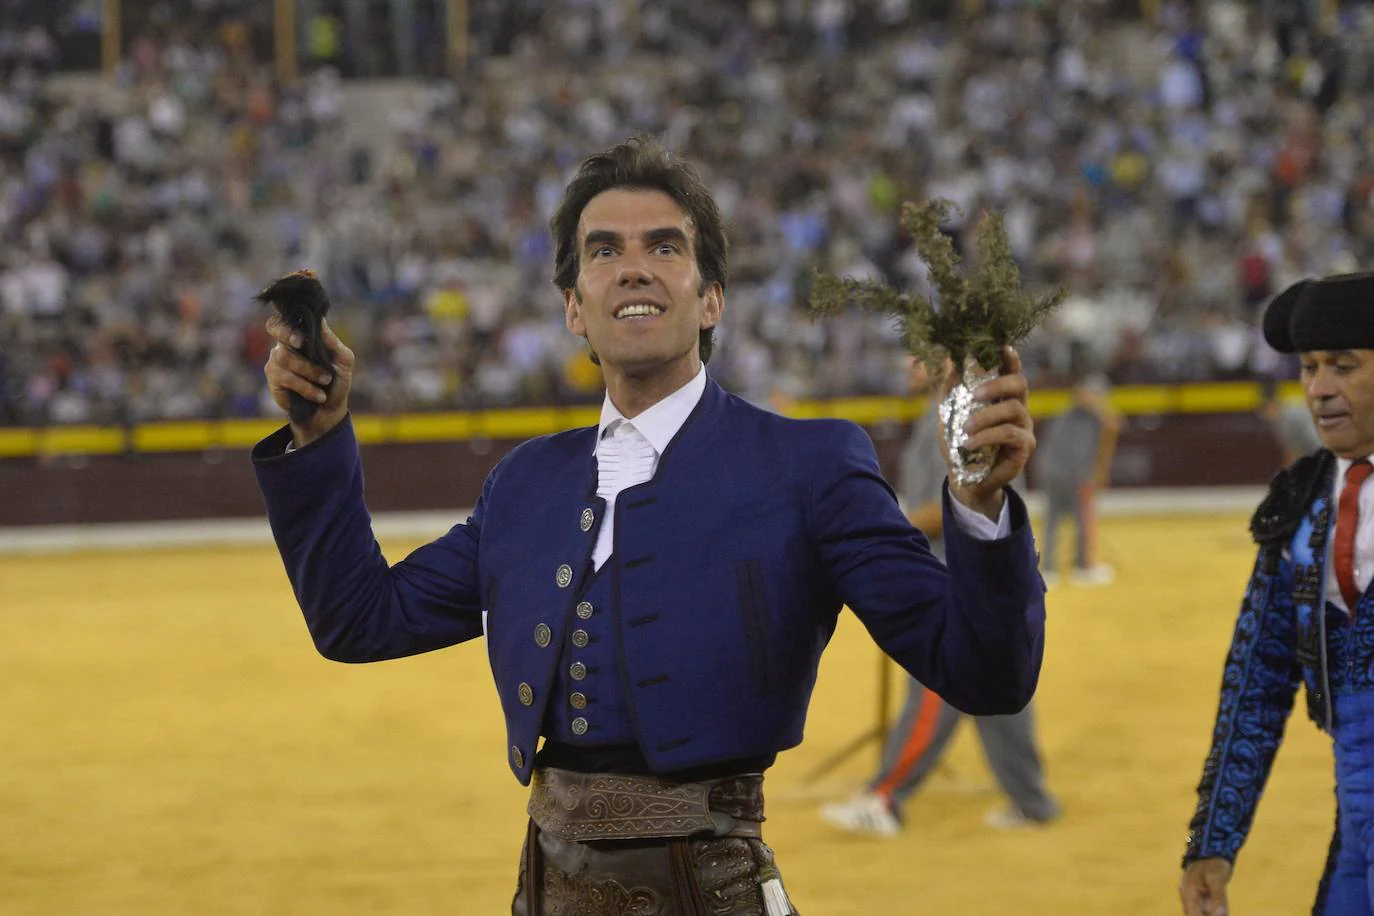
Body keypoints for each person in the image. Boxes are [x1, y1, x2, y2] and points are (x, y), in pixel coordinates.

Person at [252, 136, 1046, 915]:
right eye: (603, 252)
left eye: (665, 248)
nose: (633, 266)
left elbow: (986, 676)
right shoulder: (527, 484)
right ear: (573, 307)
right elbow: (360, 621)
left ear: (710, 300)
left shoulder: (808, 465)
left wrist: (978, 510)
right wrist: (319, 443)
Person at [1182, 271, 1374, 916]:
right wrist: (1213, 841)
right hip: (1360, 830)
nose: (1319, 389)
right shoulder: (1301, 504)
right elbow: (1257, 681)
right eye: (1310, 367)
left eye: (1343, 367)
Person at [820, 358, 1059, 838]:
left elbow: (946, 501)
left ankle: (886, 796)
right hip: (974, 574)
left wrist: (884, 532)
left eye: (919, 352)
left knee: (936, 686)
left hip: (957, 573)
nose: (907, 362)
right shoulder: (948, 411)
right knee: (999, 689)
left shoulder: (954, 414)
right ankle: (1032, 801)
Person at [1035, 372, 1121, 587]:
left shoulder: (1066, 413)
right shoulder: (1092, 416)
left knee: (1054, 519)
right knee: (1080, 518)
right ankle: (1082, 566)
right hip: (1069, 473)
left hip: (1050, 470)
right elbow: (1113, 423)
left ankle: (1049, 568)